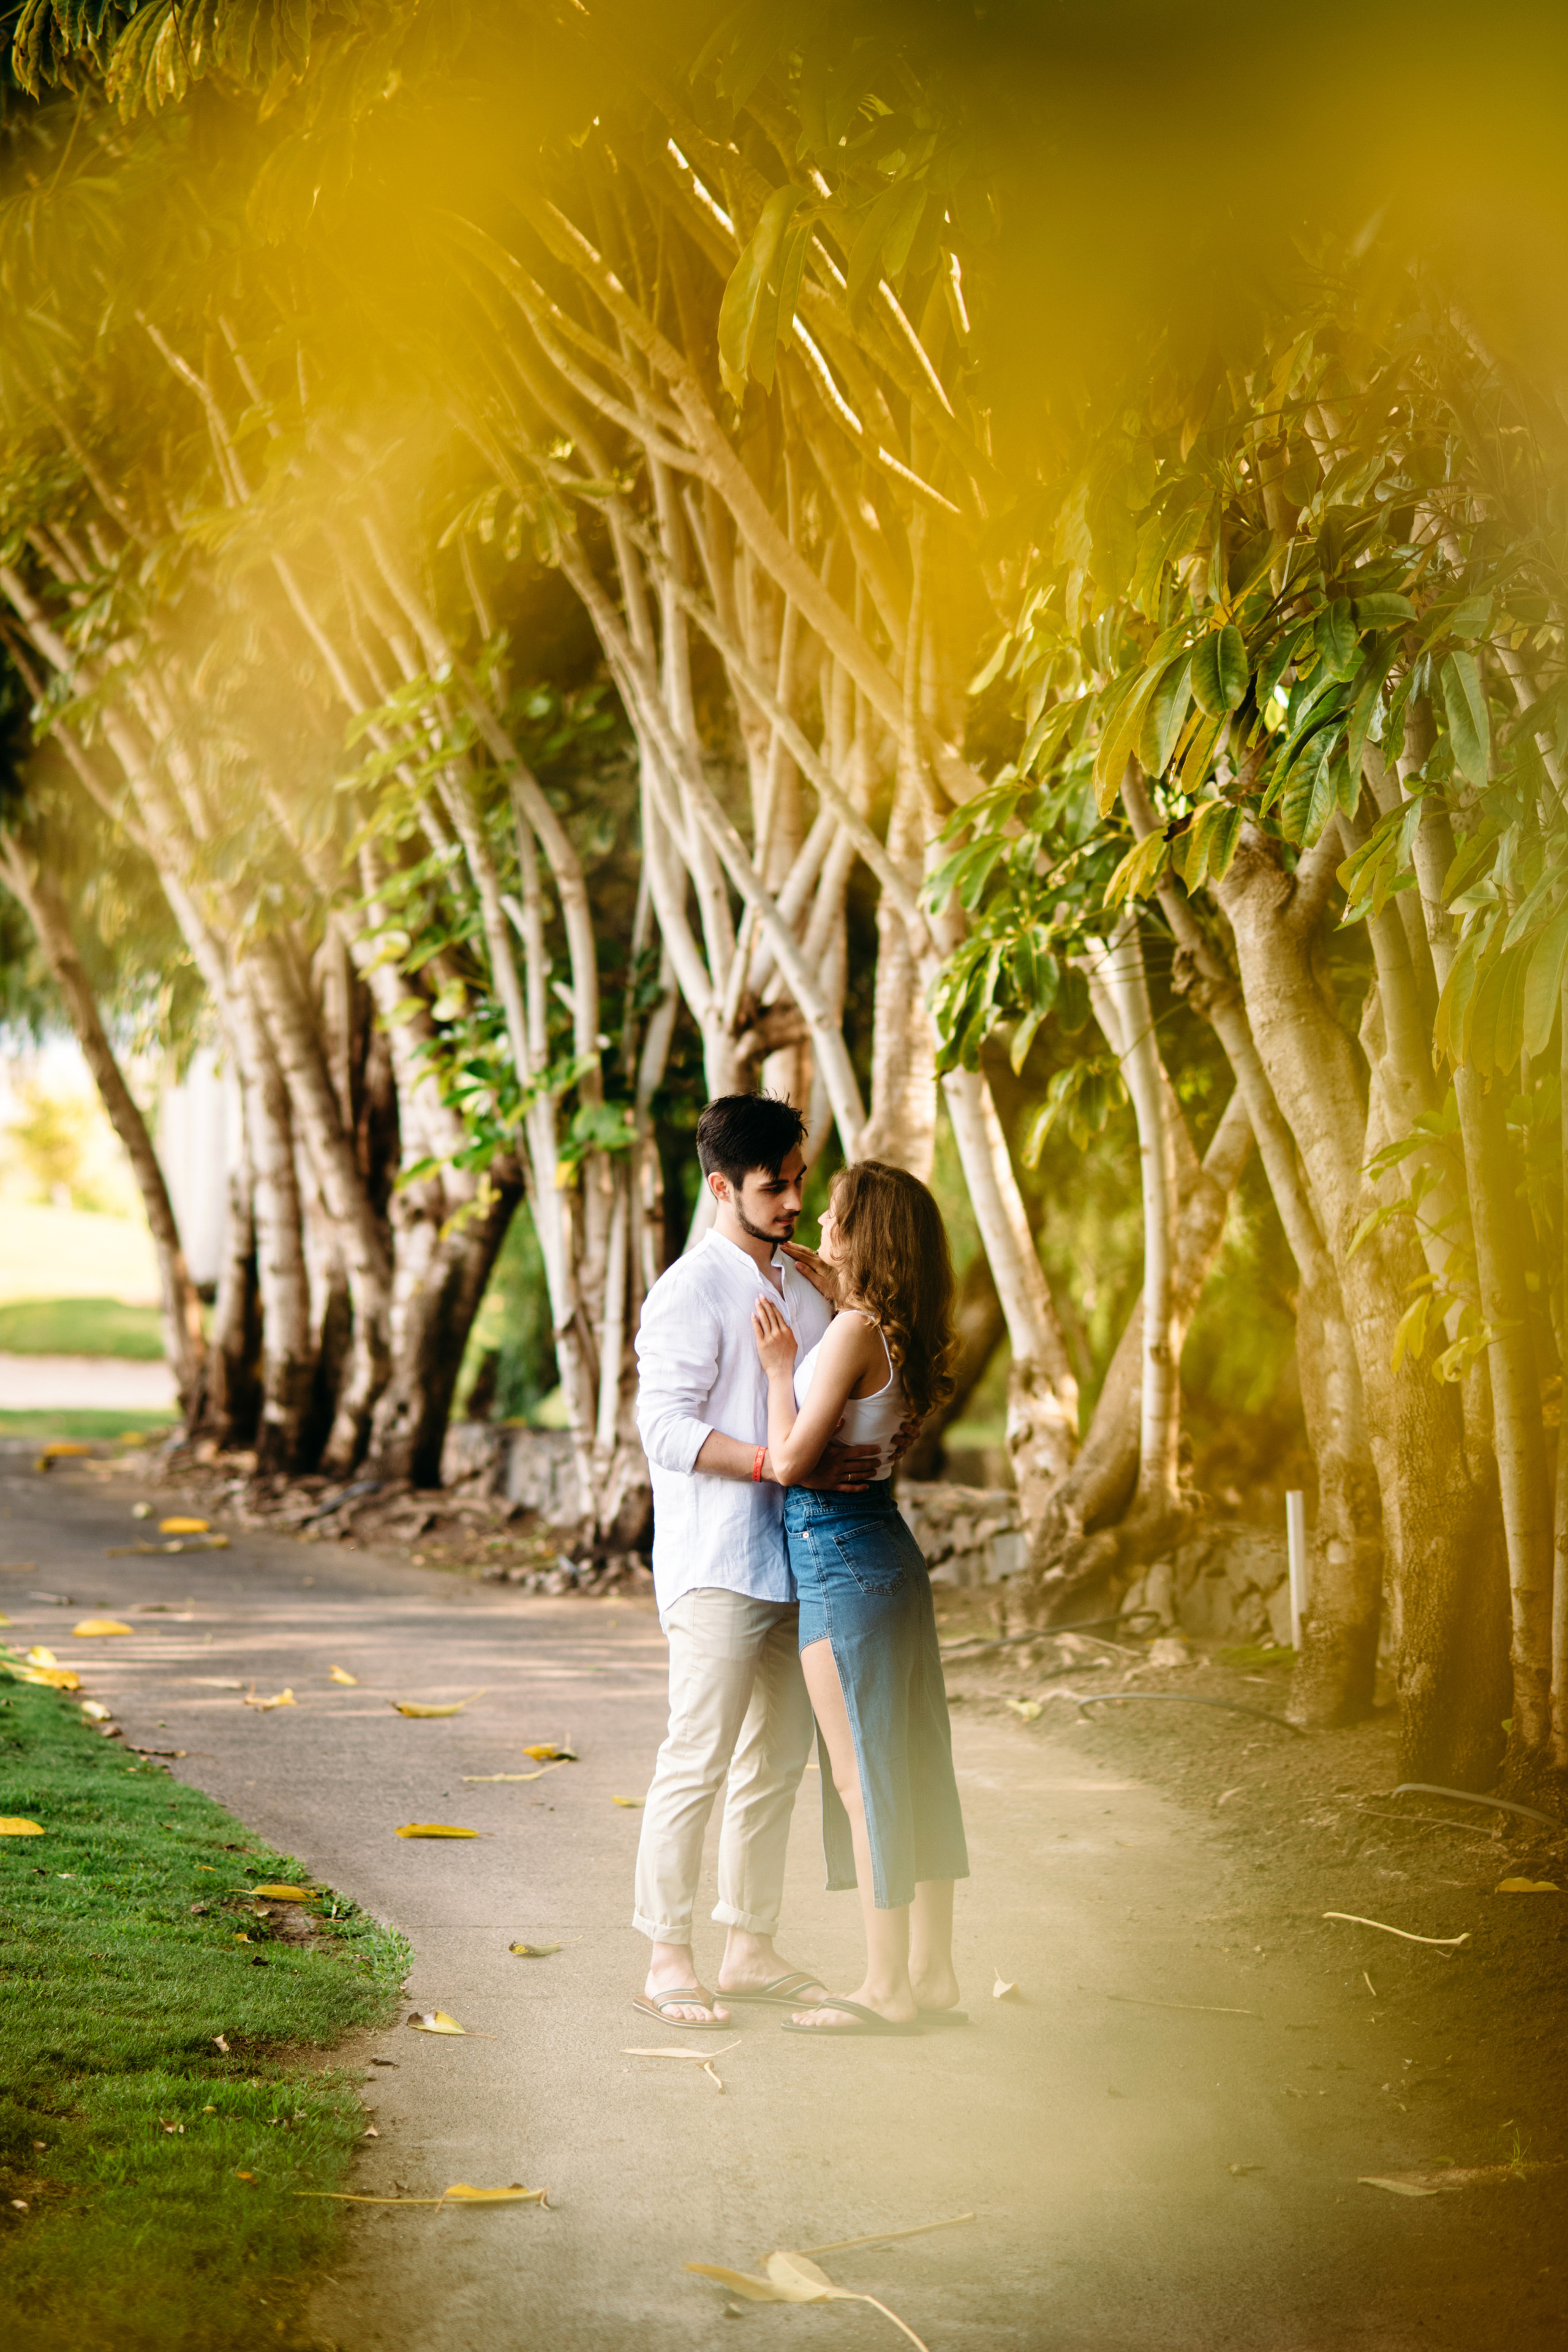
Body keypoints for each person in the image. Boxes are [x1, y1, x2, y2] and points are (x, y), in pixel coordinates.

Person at [630, 1095, 888, 2030]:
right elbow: (660, 1426)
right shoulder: (690, 1289)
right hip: (715, 1562)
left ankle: (748, 1946)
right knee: (696, 1757)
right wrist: (775, 1463)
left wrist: (844, 1454)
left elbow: (834, 1391)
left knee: (777, 1761)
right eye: (773, 1186)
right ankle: (668, 1952)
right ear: (721, 1187)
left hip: (800, 1557)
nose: (790, 1201)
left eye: (797, 1183)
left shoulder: (810, 1282)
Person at [750, 1159, 970, 2037]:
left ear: (867, 1235)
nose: (820, 1225)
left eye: (836, 1216)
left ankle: (885, 1989)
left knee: (860, 1776)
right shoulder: (903, 1332)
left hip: (838, 1557)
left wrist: (776, 1372)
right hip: (887, 1552)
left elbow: (794, 1463)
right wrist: (840, 1292)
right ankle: (931, 1972)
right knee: (912, 1765)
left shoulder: (849, 1335)